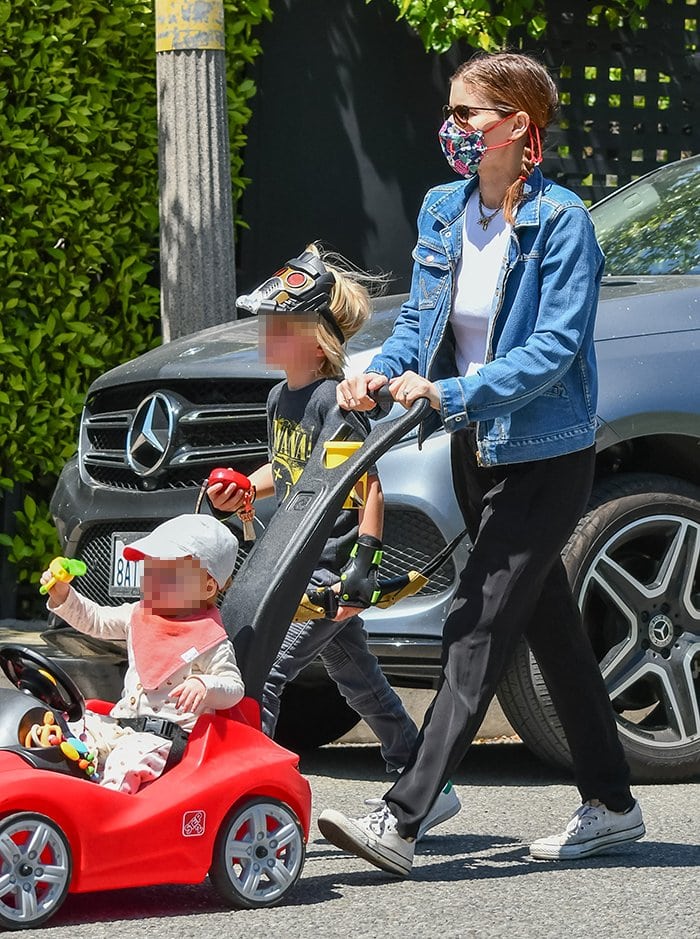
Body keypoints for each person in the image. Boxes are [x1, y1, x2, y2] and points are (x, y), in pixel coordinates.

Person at [317, 52, 645, 876]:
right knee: (552, 632)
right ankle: (614, 805)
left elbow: (552, 350)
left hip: (546, 453)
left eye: (469, 114)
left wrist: (454, 391)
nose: (454, 128)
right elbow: (422, 325)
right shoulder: (441, 209)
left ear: (517, 127)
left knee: (477, 623)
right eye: (453, 112)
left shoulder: (564, 223)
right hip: (474, 448)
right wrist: (376, 368)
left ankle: (404, 817)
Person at [207, 244, 460, 840]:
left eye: (277, 326)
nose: (265, 335)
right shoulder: (279, 400)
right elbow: (289, 468)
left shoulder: (329, 400)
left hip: (329, 571)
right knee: (358, 678)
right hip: (296, 561)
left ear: (314, 336)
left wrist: (362, 568)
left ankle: (249, 788)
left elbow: (365, 484)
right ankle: (427, 777)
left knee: (262, 671)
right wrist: (247, 483)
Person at [40, 514, 245, 793]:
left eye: (165, 574)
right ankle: (58, 787)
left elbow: (234, 688)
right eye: (148, 570)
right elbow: (94, 620)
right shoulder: (138, 614)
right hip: (123, 725)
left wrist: (204, 684)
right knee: (73, 728)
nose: (150, 580)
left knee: (125, 759)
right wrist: (63, 595)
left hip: (169, 739)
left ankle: (107, 807)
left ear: (207, 586)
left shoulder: (211, 639)